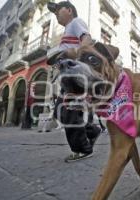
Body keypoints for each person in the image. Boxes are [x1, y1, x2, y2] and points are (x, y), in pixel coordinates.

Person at [47, 1, 101, 162]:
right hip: (67, 75)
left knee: (66, 110)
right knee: (59, 110)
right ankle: (91, 132)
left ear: (69, 10)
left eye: (58, 10)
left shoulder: (75, 22)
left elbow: (87, 39)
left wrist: (75, 56)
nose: (56, 13)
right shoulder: (67, 29)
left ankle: (82, 149)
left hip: (74, 74)